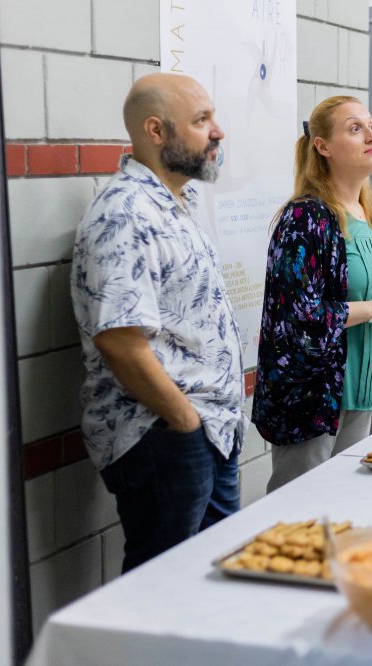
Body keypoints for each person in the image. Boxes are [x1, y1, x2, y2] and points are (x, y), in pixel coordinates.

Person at [70, 73, 244, 573]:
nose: (218, 131)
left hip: (209, 430)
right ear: (156, 131)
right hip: (166, 434)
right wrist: (184, 421)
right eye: (201, 120)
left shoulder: (177, 204)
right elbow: (120, 340)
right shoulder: (126, 212)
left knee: (210, 581)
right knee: (161, 585)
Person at [252, 96, 372, 492]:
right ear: (323, 146)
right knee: (300, 513)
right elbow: (298, 317)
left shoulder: (366, 214)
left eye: (371, 126)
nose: (371, 136)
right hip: (314, 400)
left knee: (342, 505)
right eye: (355, 128)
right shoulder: (305, 217)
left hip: (358, 393)